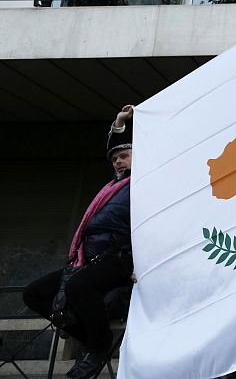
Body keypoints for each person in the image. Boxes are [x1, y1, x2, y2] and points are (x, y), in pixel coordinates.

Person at [22, 105, 136, 379]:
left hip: (118, 256)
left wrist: (123, 127)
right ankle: (93, 338)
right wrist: (119, 121)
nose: (118, 161)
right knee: (34, 294)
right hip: (87, 255)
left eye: (124, 156)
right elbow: (113, 147)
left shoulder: (145, 182)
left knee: (78, 286)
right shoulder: (112, 187)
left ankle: (98, 347)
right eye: (115, 159)